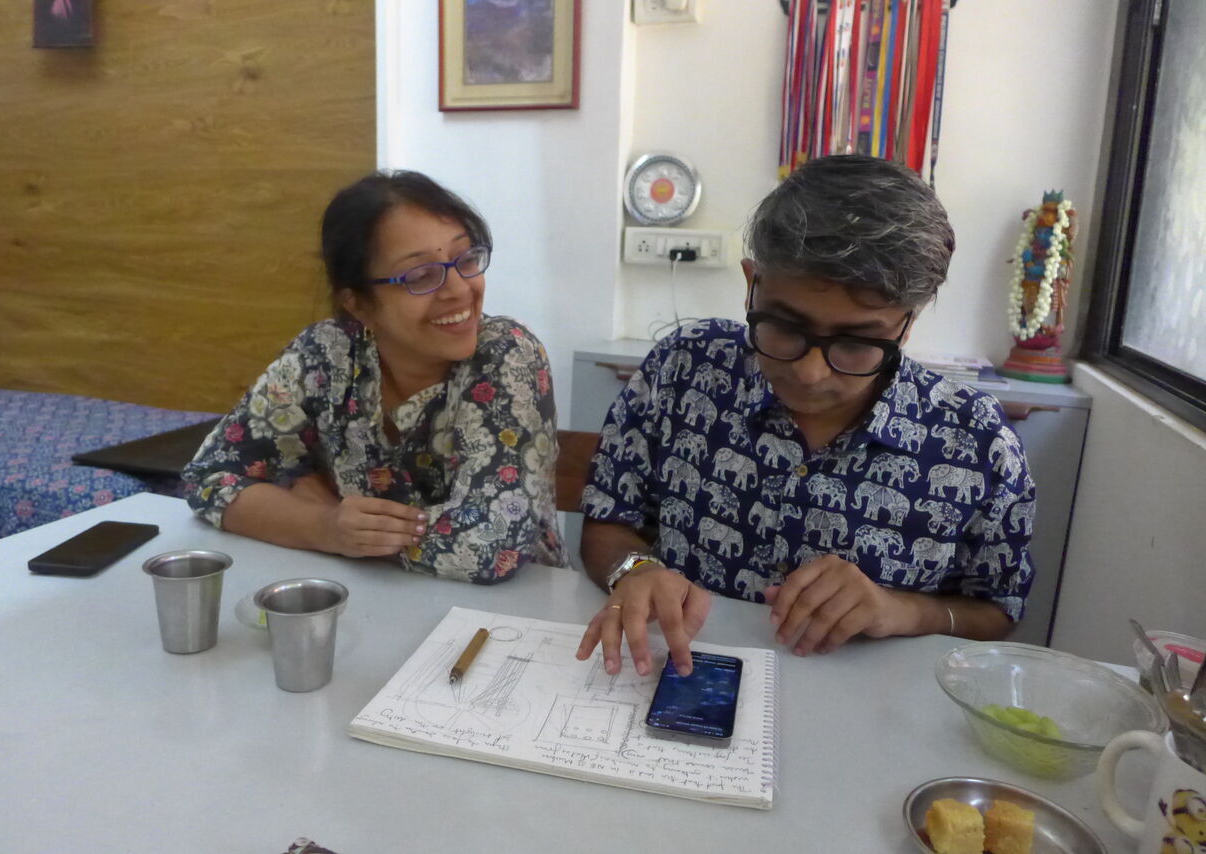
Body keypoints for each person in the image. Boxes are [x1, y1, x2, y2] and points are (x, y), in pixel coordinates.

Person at [576, 154, 1035, 676]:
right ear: (751, 283)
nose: (811, 373)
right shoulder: (684, 369)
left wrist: (900, 610)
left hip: (865, 703)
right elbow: (607, 523)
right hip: (676, 674)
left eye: (856, 343)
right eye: (784, 327)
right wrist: (637, 570)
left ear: (908, 323)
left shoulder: (976, 442)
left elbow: (999, 611)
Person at [184, 171, 565, 581]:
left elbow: (488, 548)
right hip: (365, 594)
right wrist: (326, 526)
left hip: (513, 607)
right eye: (420, 276)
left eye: (467, 259)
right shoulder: (324, 353)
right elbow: (208, 478)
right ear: (359, 304)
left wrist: (316, 516)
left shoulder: (507, 353)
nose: (459, 290)